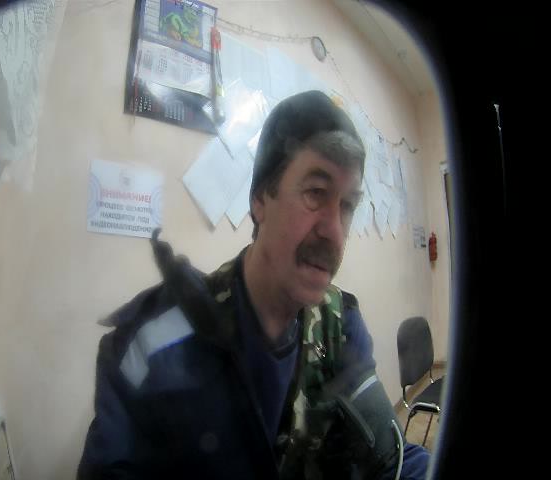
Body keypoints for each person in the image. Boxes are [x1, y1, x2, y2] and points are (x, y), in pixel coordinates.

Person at [77, 90, 430, 480]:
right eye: (316, 193)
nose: (334, 232)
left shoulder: (339, 327)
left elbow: (391, 461)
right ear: (261, 198)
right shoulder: (152, 344)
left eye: (347, 206)